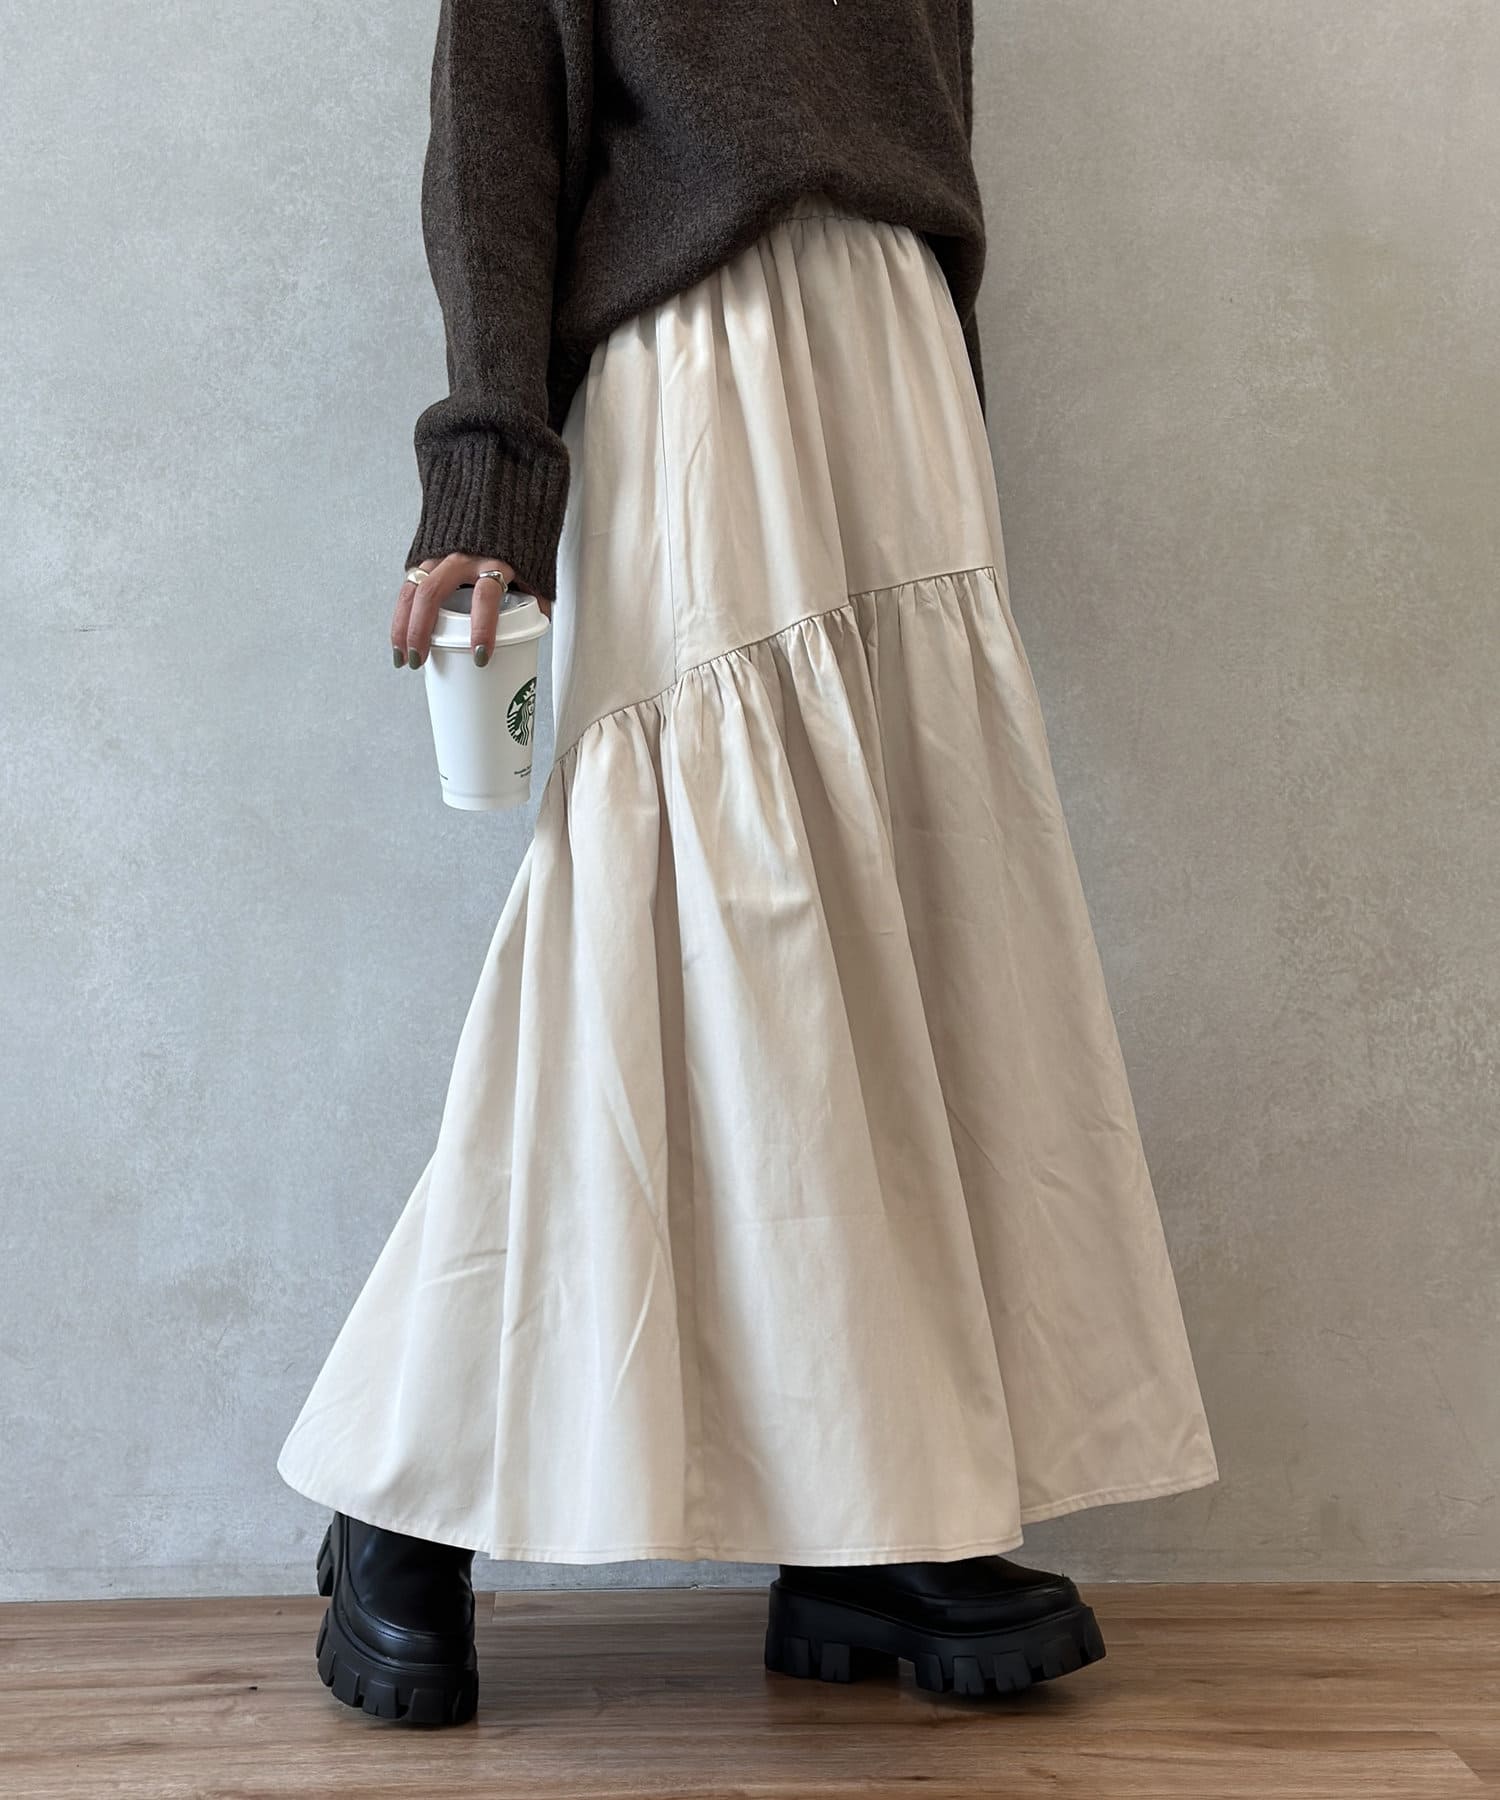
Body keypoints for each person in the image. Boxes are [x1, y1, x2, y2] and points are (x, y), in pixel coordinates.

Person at [277, 0, 1219, 1727]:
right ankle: (397, 1486)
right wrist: (489, 476)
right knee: (669, 932)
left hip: (899, 367)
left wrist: (939, 393)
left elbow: (925, 119)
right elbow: (495, 137)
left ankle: (871, 1510)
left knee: (905, 935)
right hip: (704, 354)